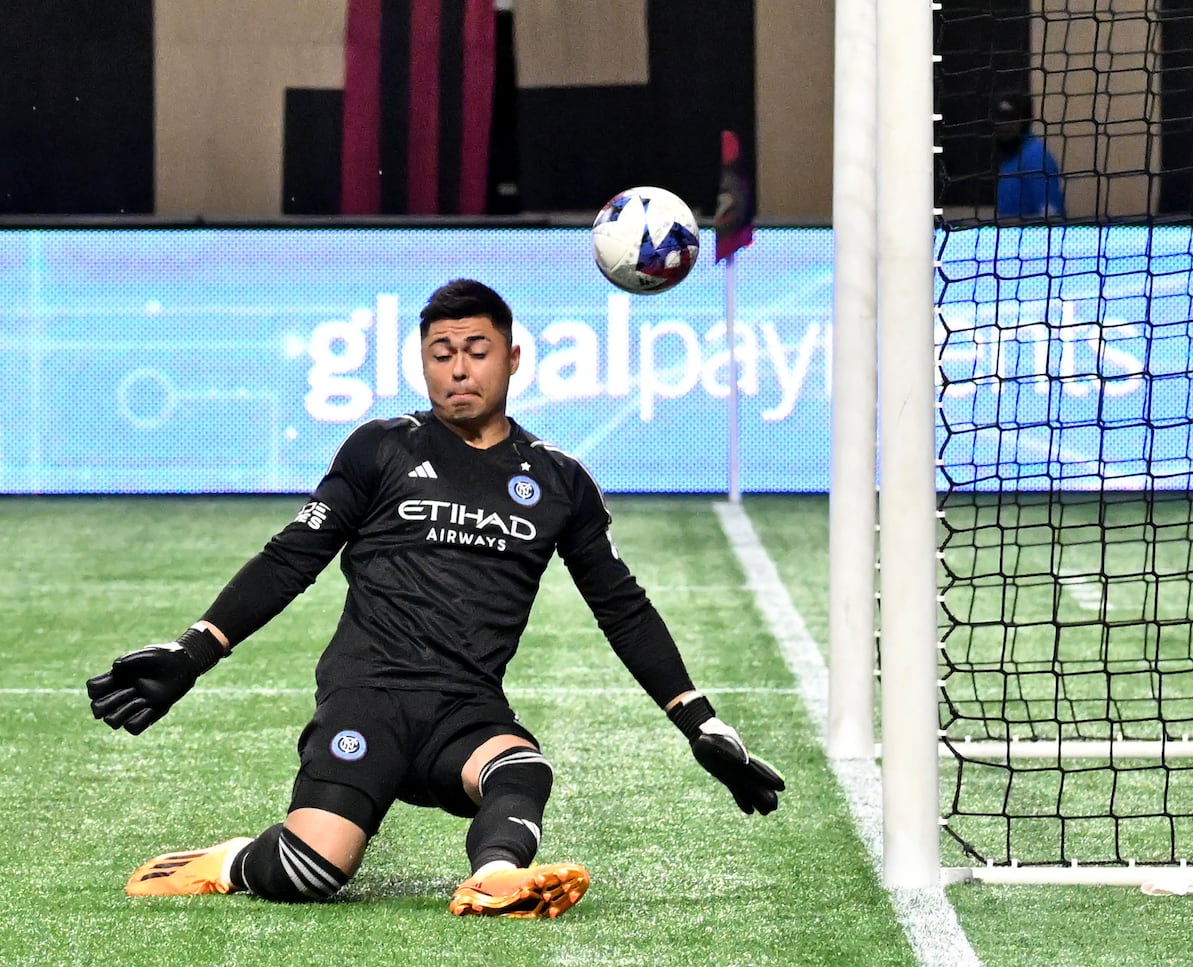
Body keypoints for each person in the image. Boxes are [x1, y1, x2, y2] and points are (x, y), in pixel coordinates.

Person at [86, 278, 784, 919]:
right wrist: (192, 651)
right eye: (440, 353)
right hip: (369, 695)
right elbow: (291, 557)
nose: (457, 368)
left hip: (465, 709)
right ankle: (232, 859)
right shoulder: (379, 449)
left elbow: (621, 606)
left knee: (522, 766)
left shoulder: (559, 481)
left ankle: (495, 877)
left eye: (475, 351)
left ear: (512, 358)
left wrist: (698, 721)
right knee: (310, 875)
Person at [993, 92, 1065, 221]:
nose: (1004, 125)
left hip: (1031, 239)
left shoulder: (1035, 156)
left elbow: (1051, 217)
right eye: (1000, 118)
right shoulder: (1011, 156)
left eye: (1010, 119)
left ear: (1024, 121)